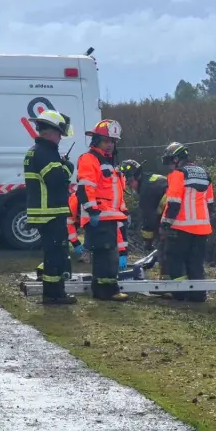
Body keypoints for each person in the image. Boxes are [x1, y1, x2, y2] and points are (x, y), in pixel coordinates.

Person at [23, 109, 77, 306]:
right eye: (60, 134)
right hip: (50, 212)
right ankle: (54, 295)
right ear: (52, 132)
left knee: (53, 253)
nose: (60, 138)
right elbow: (56, 180)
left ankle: (53, 293)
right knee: (55, 255)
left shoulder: (36, 151)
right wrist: (67, 167)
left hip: (43, 212)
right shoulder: (46, 152)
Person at [76, 119, 130, 302]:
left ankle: (103, 290)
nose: (110, 145)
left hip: (109, 216)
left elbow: (116, 193)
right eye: (106, 141)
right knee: (106, 255)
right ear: (97, 140)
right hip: (100, 215)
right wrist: (92, 211)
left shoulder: (109, 163)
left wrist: (124, 212)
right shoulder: (90, 159)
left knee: (107, 255)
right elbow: (85, 187)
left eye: (112, 141)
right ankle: (107, 291)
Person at [158, 142, 214, 302]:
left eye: (170, 161)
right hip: (202, 228)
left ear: (176, 159)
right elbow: (210, 203)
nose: (169, 166)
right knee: (195, 262)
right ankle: (198, 295)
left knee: (175, 259)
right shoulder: (204, 174)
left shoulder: (178, 174)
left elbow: (173, 203)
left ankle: (179, 293)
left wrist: (165, 225)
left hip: (182, 227)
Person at [117, 158, 169, 278]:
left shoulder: (146, 190)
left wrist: (147, 242)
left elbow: (148, 219)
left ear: (136, 177)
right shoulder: (150, 178)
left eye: (129, 182)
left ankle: (167, 281)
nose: (130, 186)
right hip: (181, 214)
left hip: (175, 216)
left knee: (166, 250)